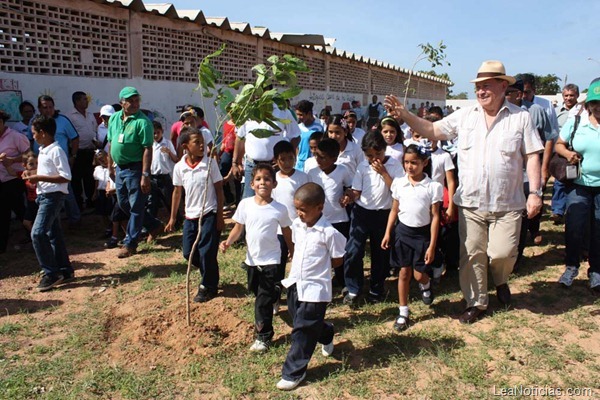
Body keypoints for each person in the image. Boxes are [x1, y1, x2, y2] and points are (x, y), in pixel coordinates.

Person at [385, 60, 544, 324]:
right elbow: (434, 130)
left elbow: (532, 156)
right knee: (471, 255)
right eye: (478, 87)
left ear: (503, 86)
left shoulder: (521, 118)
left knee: (502, 254)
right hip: (470, 203)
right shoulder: (466, 116)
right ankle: (477, 302)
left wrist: (536, 192)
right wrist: (406, 115)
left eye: (486, 86)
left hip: (507, 203)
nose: (480, 92)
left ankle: (501, 279)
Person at [277, 182, 346, 391]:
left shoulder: (329, 233)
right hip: (296, 283)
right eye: (297, 208)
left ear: (319, 207)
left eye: (303, 210)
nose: (299, 213)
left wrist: (321, 271)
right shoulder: (297, 225)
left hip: (316, 288)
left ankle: (293, 372)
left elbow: (337, 260)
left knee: (303, 331)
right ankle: (326, 332)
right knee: (301, 321)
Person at [220, 164, 294, 352]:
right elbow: (238, 228)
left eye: (267, 179)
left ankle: (264, 336)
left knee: (262, 301)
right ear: (252, 184)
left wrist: (293, 250)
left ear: (274, 184)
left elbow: (286, 232)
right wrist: (228, 242)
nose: (263, 183)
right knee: (255, 291)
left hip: (271, 260)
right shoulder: (245, 204)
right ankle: (276, 293)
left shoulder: (279, 209)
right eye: (259, 179)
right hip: (252, 260)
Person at [382, 144, 443, 331]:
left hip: (422, 235)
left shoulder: (433, 186)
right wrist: (387, 232)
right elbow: (394, 209)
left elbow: (435, 217)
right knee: (403, 272)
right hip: (402, 234)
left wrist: (432, 245)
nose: (409, 166)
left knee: (418, 274)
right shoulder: (399, 183)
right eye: (406, 162)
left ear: (424, 163)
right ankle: (403, 311)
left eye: (414, 163)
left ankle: (426, 284)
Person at [341, 130, 404, 305]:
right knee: (353, 251)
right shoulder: (362, 166)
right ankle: (353, 288)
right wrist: (349, 196)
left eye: (378, 154)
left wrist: (384, 173)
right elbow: (357, 191)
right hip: (361, 213)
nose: (374, 158)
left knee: (380, 254)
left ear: (385, 150)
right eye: (370, 155)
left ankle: (376, 289)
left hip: (383, 215)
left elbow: (399, 191)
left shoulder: (394, 166)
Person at [165, 126, 224, 302]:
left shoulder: (210, 163)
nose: (201, 146)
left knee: (206, 251)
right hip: (190, 216)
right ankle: (208, 270)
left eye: (202, 142)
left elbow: (219, 190)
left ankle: (208, 286)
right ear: (185, 146)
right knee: (188, 253)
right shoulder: (179, 167)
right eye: (196, 142)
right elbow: (177, 192)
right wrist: (173, 217)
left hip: (209, 213)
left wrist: (219, 216)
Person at [554, 78, 600, 291]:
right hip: (579, 184)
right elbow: (559, 145)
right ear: (588, 104)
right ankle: (571, 267)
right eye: (595, 103)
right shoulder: (576, 121)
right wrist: (569, 153)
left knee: (598, 229)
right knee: (574, 226)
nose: (598, 107)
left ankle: (596, 270)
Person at [106, 87, 163, 258]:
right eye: (131, 100)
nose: (135, 103)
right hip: (120, 168)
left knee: (136, 206)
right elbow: (111, 144)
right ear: (121, 102)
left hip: (136, 168)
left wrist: (145, 175)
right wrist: (110, 167)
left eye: (137, 100)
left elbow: (147, 149)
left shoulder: (143, 121)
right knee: (124, 204)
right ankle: (153, 224)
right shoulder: (114, 119)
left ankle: (130, 243)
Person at [24, 115, 74, 291]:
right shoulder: (44, 149)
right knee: (54, 234)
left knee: (37, 233)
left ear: (43, 133)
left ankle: (51, 273)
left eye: (34, 133)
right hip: (44, 195)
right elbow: (49, 171)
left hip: (53, 197)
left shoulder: (56, 150)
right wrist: (34, 175)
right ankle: (65, 269)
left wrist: (39, 177)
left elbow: (66, 176)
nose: (33, 136)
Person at [231, 99, 301, 199]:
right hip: (252, 166)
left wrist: (284, 157)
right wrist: (235, 163)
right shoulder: (247, 113)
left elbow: (296, 136)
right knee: (249, 201)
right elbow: (240, 138)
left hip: (275, 167)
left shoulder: (283, 112)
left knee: (276, 200)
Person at [307, 138, 353, 285]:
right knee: (321, 252)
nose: (318, 159)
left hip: (339, 220)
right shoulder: (312, 172)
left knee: (339, 252)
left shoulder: (342, 171)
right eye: (317, 155)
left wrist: (347, 196)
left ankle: (342, 280)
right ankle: (323, 279)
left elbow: (350, 187)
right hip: (319, 220)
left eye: (322, 157)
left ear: (334, 158)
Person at [30, 95, 81, 227]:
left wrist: (73, 156)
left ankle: (74, 219)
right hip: (42, 161)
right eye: (44, 107)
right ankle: (53, 223)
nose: (48, 110)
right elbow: (30, 142)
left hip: (59, 161)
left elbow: (75, 138)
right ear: (39, 109)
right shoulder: (35, 122)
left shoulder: (63, 121)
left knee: (65, 191)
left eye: (50, 107)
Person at [272, 140, 309, 313]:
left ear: (295, 157)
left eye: (290, 158)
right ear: (276, 160)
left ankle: (300, 295)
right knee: (278, 263)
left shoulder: (302, 177)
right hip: (279, 229)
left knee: (299, 261)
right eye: (282, 159)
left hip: (299, 228)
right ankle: (275, 297)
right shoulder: (273, 179)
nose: (287, 163)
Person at [0, 109, 30, 252]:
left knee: (20, 210)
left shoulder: (15, 136)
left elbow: (29, 155)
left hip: (13, 179)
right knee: (3, 212)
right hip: (1, 180)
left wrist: (12, 160)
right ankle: (3, 245)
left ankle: (33, 236)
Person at [551, 84, 581, 224]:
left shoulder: (582, 112)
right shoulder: (556, 112)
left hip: (576, 151)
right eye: (566, 95)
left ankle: (572, 209)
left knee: (574, 181)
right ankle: (557, 211)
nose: (569, 98)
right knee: (560, 181)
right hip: (561, 151)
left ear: (577, 96)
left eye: (572, 95)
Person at [69, 91, 98, 210]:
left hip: (90, 151)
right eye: (84, 99)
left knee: (90, 177)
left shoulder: (90, 115)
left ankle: (91, 201)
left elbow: (94, 130)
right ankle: (78, 204)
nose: (86, 101)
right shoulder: (70, 116)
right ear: (77, 101)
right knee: (76, 178)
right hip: (78, 152)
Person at [148, 121, 178, 220]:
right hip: (152, 177)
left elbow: (175, 159)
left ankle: (176, 221)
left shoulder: (167, 143)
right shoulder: (149, 144)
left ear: (162, 131)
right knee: (152, 202)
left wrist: (169, 152)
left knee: (169, 200)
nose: (156, 135)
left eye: (158, 132)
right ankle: (152, 225)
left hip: (164, 177)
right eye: (153, 133)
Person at [294, 100, 323, 171]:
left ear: (309, 113)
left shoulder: (319, 128)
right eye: (297, 114)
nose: (299, 117)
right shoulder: (298, 127)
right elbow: (296, 147)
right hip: (299, 165)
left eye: (301, 115)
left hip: (314, 165)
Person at [92, 150, 114, 238]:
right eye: (100, 160)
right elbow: (96, 182)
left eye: (104, 159)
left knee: (111, 210)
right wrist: (95, 192)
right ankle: (107, 228)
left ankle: (114, 227)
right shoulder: (97, 169)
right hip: (101, 191)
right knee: (102, 211)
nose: (103, 161)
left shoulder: (111, 167)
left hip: (110, 190)